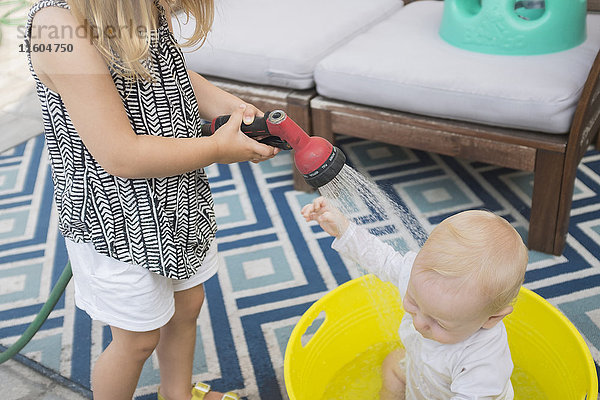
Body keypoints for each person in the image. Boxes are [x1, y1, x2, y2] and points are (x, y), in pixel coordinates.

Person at [25, 1, 279, 399]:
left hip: (176, 199)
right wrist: (215, 149)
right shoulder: (58, 31)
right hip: (113, 221)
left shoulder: (142, 8)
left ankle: (175, 394)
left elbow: (167, 72)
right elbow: (121, 155)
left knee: (188, 305)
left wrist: (228, 106)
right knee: (137, 338)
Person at [301, 197, 528, 399]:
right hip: (422, 377)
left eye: (439, 322)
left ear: (491, 319)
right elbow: (382, 258)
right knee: (393, 364)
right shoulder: (420, 282)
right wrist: (343, 228)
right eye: (413, 303)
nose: (419, 323)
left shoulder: (484, 361)